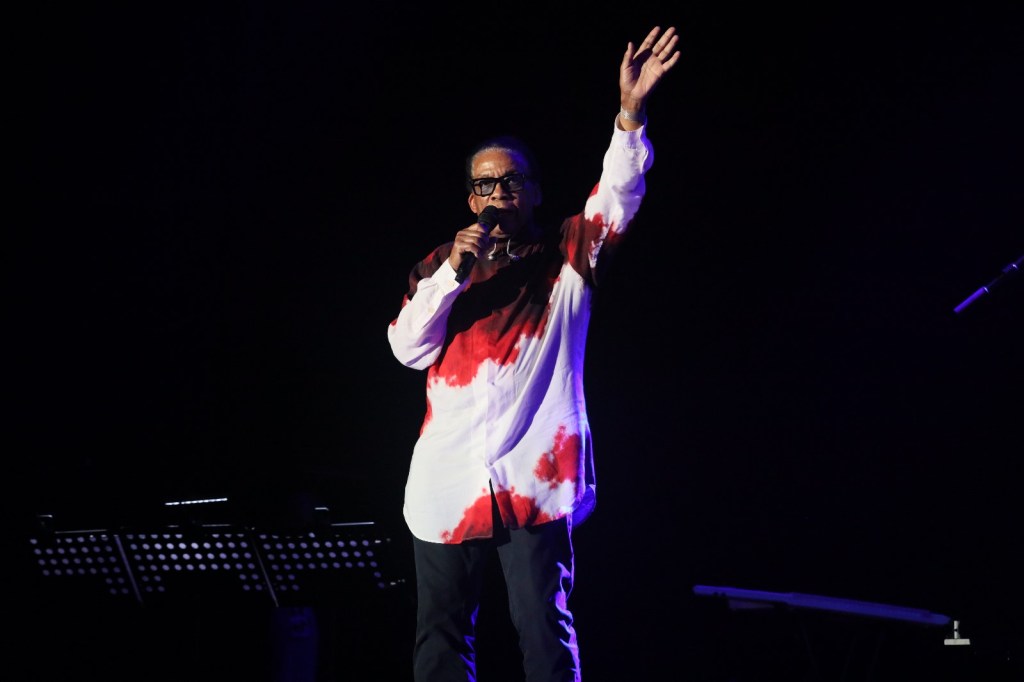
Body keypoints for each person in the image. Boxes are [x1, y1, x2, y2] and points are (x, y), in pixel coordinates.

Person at [387, 25, 681, 682]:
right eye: (486, 186)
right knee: (440, 639)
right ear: (469, 198)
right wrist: (451, 277)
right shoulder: (440, 268)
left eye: (513, 183)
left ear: (536, 193)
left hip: (533, 478)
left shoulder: (568, 259)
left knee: (544, 629)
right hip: (448, 483)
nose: (499, 196)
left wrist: (630, 114)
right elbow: (407, 351)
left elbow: (618, 196)